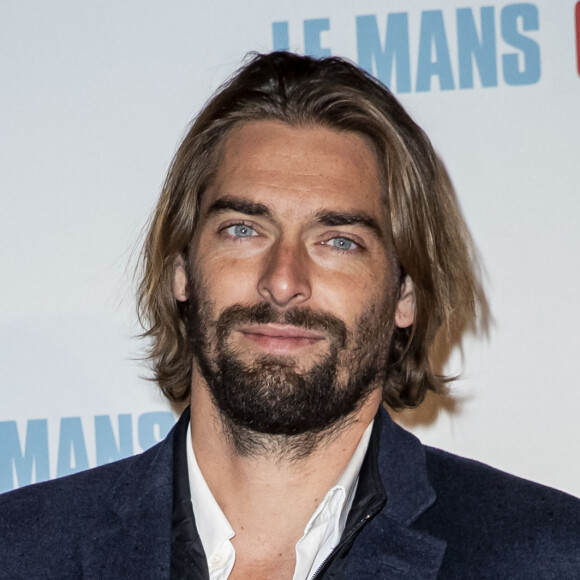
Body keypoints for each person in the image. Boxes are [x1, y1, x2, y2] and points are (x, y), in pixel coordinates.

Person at [0, 51, 579, 579]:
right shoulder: (19, 549)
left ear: (406, 293)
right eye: (244, 229)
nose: (283, 281)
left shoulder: (550, 556)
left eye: (338, 241)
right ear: (181, 269)